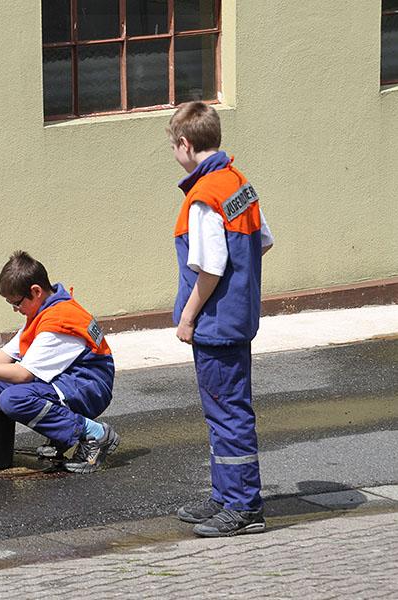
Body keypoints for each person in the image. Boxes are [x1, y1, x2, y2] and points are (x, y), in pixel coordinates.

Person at [166, 101, 274, 537]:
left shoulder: (204, 198)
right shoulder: (238, 183)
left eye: (174, 146)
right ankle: (226, 497)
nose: (175, 153)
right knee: (224, 411)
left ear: (186, 144)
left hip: (215, 322)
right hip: (238, 316)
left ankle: (244, 508)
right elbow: (263, 240)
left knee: (228, 413)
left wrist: (188, 317)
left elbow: (209, 268)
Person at [0, 251, 118, 474]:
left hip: (87, 388)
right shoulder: (45, 310)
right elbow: (8, 354)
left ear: (35, 291)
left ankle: (94, 433)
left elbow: (22, 374)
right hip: (68, 381)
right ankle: (63, 433)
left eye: (16, 303)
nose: (16, 310)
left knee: (14, 400)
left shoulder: (58, 322)